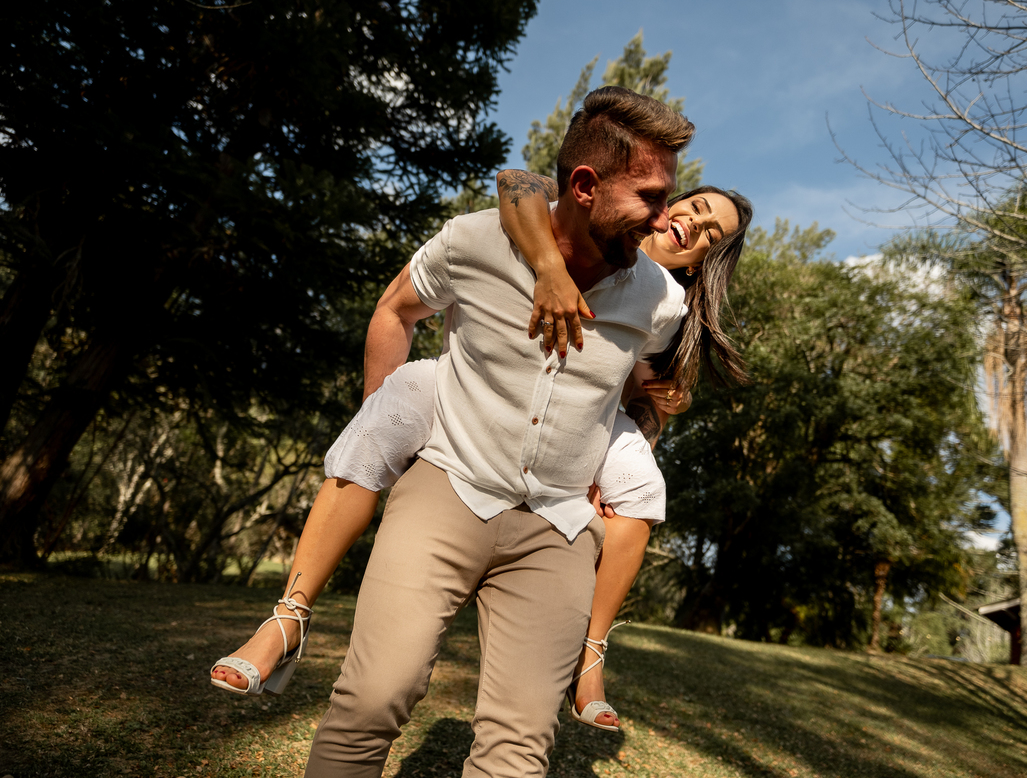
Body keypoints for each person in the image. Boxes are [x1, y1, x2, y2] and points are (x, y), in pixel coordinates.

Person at [211, 176, 753, 737]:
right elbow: (519, 184)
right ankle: (290, 615)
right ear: (667, 202)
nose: (696, 224)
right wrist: (548, 266)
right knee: (390, 411)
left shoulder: (664, 302)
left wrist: (655, 414)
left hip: (565, 446)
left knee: (643, 490)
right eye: (697, 207)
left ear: (702, 260)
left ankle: (589, 657)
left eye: (712, 234)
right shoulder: (557, 224)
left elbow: (640, 397)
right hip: (469, 395)